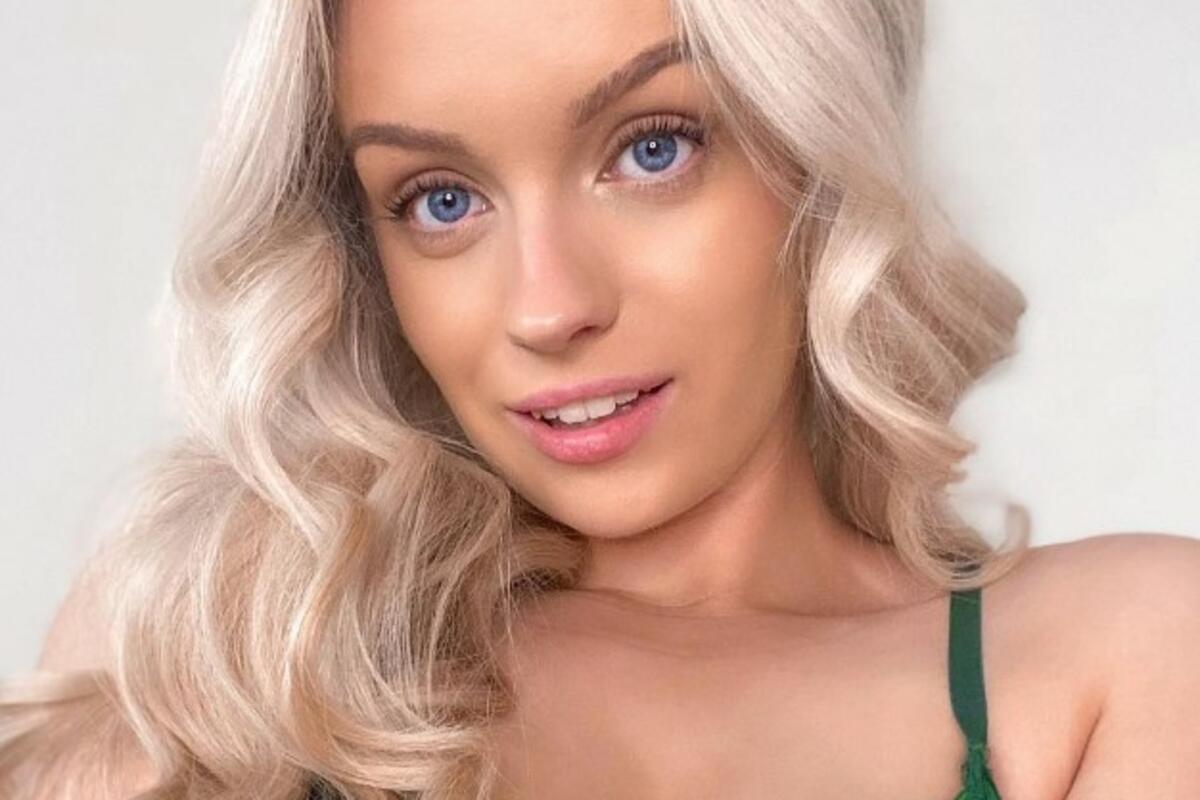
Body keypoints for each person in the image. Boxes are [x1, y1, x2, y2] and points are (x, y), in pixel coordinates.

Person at [3, 0, 1198, 798]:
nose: (547, 306)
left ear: (816, 141)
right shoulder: (223, 625)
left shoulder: (1126, 651)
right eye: (439, 200)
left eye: (653, 148)